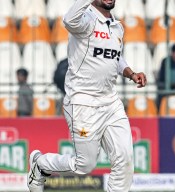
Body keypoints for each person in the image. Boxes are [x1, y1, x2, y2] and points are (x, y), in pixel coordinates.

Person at [27, 0, 147, 192]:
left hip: (110, 102)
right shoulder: (85, 20)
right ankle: (41, 164)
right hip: (83, 102)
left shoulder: (117, 27)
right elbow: (68, 20)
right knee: (85, 165)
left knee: (125, 160)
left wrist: (131, 73)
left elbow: (114, 57)